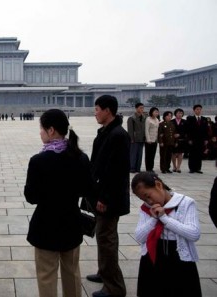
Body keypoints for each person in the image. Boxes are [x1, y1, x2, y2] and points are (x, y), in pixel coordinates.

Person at [24, 109, 92, 297]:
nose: (40, 132)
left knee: (46, 274)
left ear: (51, 130)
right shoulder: (81, 157)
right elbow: (87, 190)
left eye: (42, 129)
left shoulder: (38, 161)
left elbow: (31, 197)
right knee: (72, 271)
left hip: (46, 224)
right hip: (71, 222)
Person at [86, 95, 130, 297]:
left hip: (109, 199)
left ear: (107, 110)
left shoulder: (118, 135)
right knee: (103, 237)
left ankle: (115, 287)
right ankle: (104, 273)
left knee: (107, 239)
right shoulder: (106, 132)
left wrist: (104, 198)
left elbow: (116, 172)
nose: (95, 112)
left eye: (97, 109)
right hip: (101, 194)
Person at [132, 172, 202, 297]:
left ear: (158, 185)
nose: (148, 201)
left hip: (178, 258)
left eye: (148, 196)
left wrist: (165, 219)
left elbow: (194, 233)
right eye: (143, 199)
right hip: (152, 256)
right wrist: (153, 219)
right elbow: (139, 237)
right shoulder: (147, 208)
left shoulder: (185, 203)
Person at [186, 104, 208, 173]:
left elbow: (206, 130)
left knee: (199, 154)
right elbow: (188, 130)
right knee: (192, 154)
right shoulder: (190, 119)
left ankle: (198, 168)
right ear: (194, 110)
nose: (198, 111)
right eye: (197, 109)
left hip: (201, 139)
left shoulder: (204, 119)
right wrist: (189, 139)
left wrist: (206, 139)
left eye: (200, 109)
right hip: (193, 139)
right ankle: (192, 168)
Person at [127, 102, 146, 173]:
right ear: (136, 108)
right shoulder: (132, 118)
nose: (142, 109)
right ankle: (132, 168)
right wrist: (131, 138)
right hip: (134, 139)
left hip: (141, 138)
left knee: (140, 154)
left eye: (143, 108)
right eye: (140, 108)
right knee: (133, 154)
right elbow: (130, 130)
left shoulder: (144, 117)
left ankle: (138, 168)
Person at [171, 108, 187, 173]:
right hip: (173, 140)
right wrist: (174, 135)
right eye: (178, 113)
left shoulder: (185, 122)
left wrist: (180, 134)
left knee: (180, 153)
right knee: (173, 153)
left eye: (181, 113)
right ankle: (174, 166)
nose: (180, 114)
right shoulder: (172, 121)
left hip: (181, 140)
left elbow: (186, 131)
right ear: (175, 114)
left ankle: (178, 167)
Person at [144, 107, 159, 172]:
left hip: (155, 140)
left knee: (153, 155)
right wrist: (148, 139)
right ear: (151, 112)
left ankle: (151, 168)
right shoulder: (148, 119)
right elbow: (146, 130)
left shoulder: (157, 119)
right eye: (155, 112)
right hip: (149, 140)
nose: (156, 113)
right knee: (148, 155)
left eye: (157, 112)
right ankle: (148, 168)